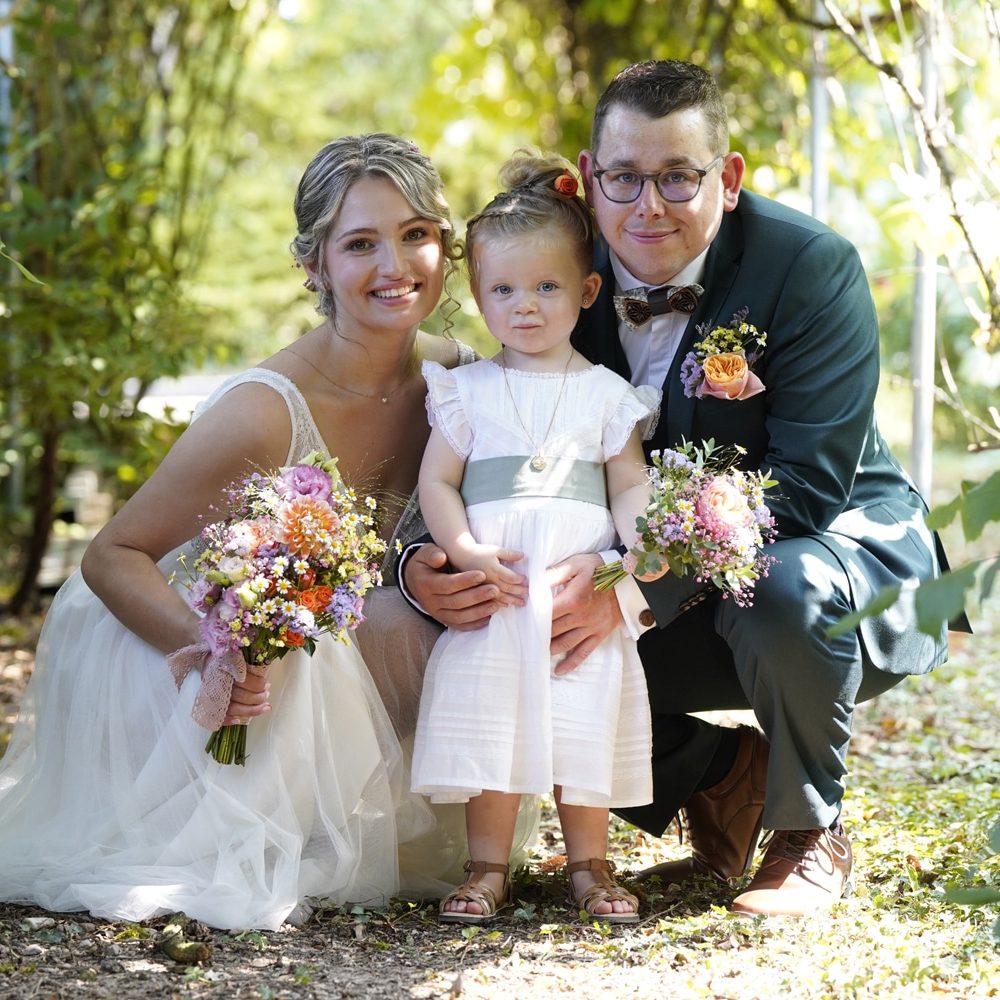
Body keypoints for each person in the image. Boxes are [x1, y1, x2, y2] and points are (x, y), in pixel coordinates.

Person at [403, 61, 966, 918]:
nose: (648, 206)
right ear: (590, 180)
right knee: (499, 628)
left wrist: (632, 591)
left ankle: (811, 833)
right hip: (635, 563)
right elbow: (483, 441)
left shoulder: (809, 268)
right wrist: (427, 565)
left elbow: (804, 491)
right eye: (624, 178)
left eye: (677, 176)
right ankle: (723, 773)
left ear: (728, 179)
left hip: (824, 557)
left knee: (780, 582)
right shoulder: (552, 269)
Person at [0, 132, 536, 932]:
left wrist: (430, 566)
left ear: (447, 248)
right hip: (178, 644)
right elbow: (113, 556)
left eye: (415, 234)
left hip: (329, 634)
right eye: (360, 243)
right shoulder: (263, 408)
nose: (395, 265)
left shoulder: (463, 377)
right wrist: (213, 656)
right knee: (318, 642)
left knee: (439, 623)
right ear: (313, 265)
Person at [410, 152, 661, 925]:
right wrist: (464, 549)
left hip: (574, 597)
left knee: (581, 722)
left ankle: (590, 864)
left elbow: (627, 484)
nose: (526, 306)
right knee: (493, 727)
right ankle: (488, 866)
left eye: (547, 286)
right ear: (479, 296)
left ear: (587, 292)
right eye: (504, 289)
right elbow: (437, 485)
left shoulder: (607, 395)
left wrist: (632, 561)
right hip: (499, 592)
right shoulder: (466, 391)